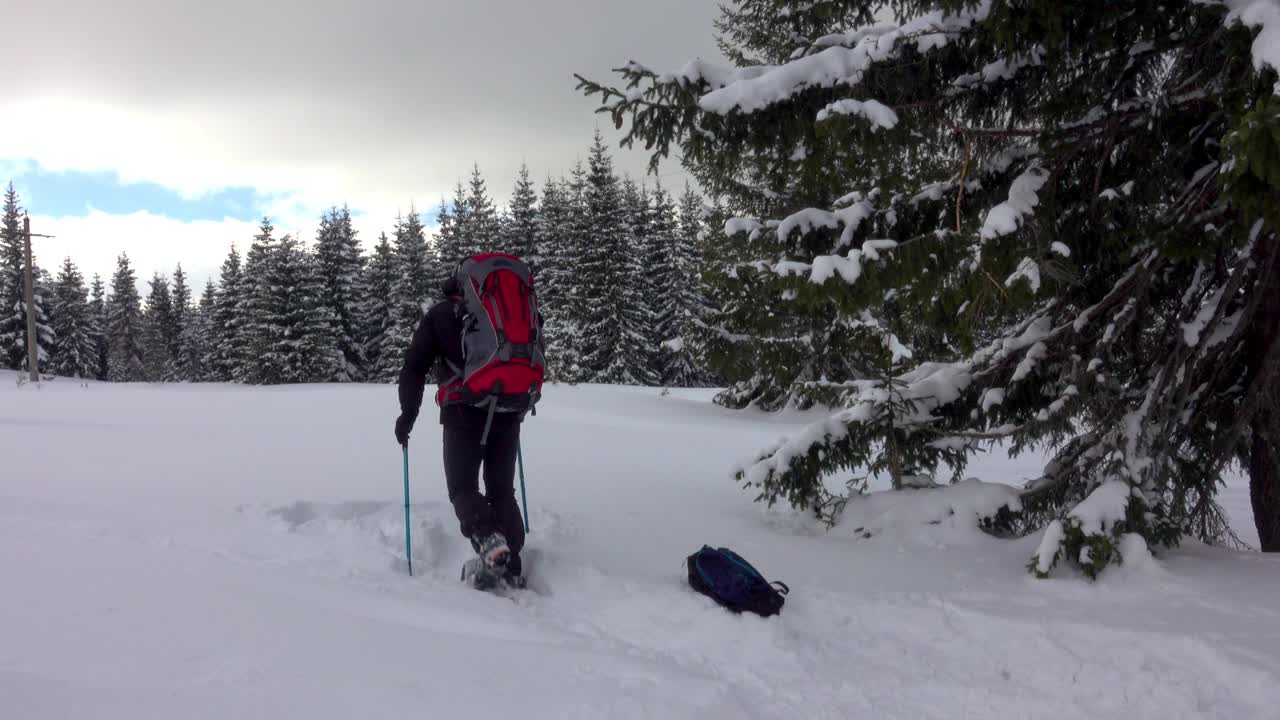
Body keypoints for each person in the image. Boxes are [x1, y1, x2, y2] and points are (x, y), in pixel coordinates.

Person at [394, 270, 532, 589]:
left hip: (462, 411)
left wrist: (407, 416)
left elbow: (414, 366)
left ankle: (491, 542)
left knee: (462, 488)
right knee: (501, 490)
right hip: (508, 408)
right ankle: (510, 557)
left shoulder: (441, 314)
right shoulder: (505, 310)